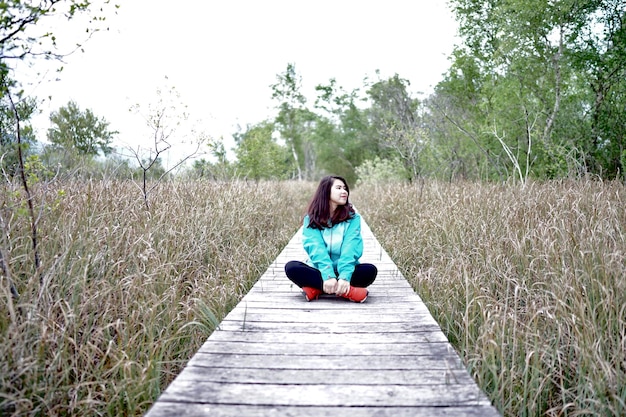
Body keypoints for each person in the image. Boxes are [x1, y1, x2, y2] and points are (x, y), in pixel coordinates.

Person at [285, 175, 377, 302]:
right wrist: (328, 275)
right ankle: (347, 291)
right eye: (338, 188)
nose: (344, 191)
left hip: (346, 270)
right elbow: (316, 247)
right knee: (292, 267)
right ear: (326, 191)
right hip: (319, 270)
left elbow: (350, 247)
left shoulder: (353, 218)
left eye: (345, 188)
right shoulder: (311, 218)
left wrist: (344, 277)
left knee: (369, 270)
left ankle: (317, 288)